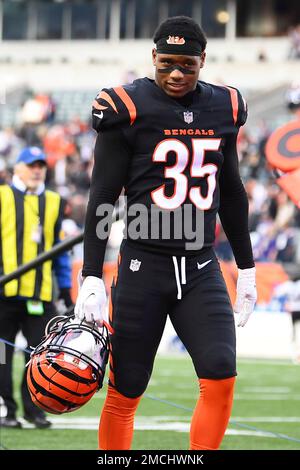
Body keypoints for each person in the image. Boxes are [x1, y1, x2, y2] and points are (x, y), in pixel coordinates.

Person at [75, 16, 257, 450]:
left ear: (203, 61)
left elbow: (230, 192)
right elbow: (104, 195)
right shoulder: (126, 106)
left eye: (187, 65)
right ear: (153, 57)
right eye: (167, 64)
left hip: (200, 265)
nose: (176, 74)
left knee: (221, 373)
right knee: (126, 388)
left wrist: (247, 268)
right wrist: (92, 272)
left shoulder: (226, 106)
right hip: (143, 265)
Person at [0, 146, 72, 429]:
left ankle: (34, 409)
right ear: (17, 168)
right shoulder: (3, 196)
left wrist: (65, 291)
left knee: (41, 355)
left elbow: (60, 250)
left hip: (40, 297)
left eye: (41, 165)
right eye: (31, 165)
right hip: (4, 296)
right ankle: (7, 410)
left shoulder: (54, 201)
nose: (37, 170)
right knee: (2, 356)